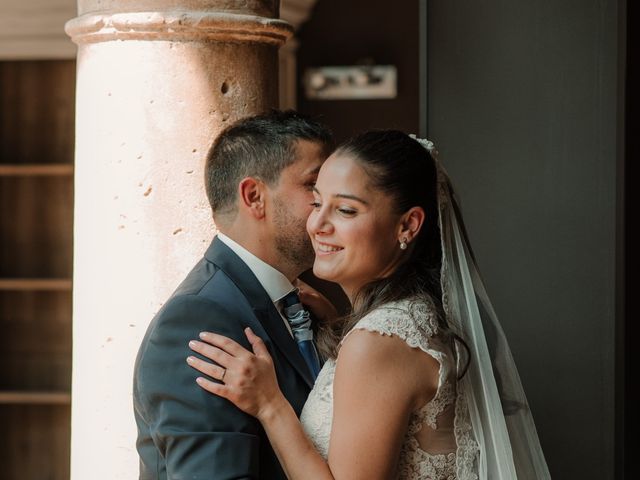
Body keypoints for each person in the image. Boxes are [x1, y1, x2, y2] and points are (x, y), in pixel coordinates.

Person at [187, 130, 552, 479]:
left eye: (345, 210)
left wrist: (270, 405)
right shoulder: (413, 316)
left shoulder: (378, 341)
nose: (317, 224)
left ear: (407, 225)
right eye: (317, 202)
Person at [133, 110, 333, 479]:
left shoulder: (302, 307)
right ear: (254, 196)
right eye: (314, 186)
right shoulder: (198, 320)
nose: (328, 206)